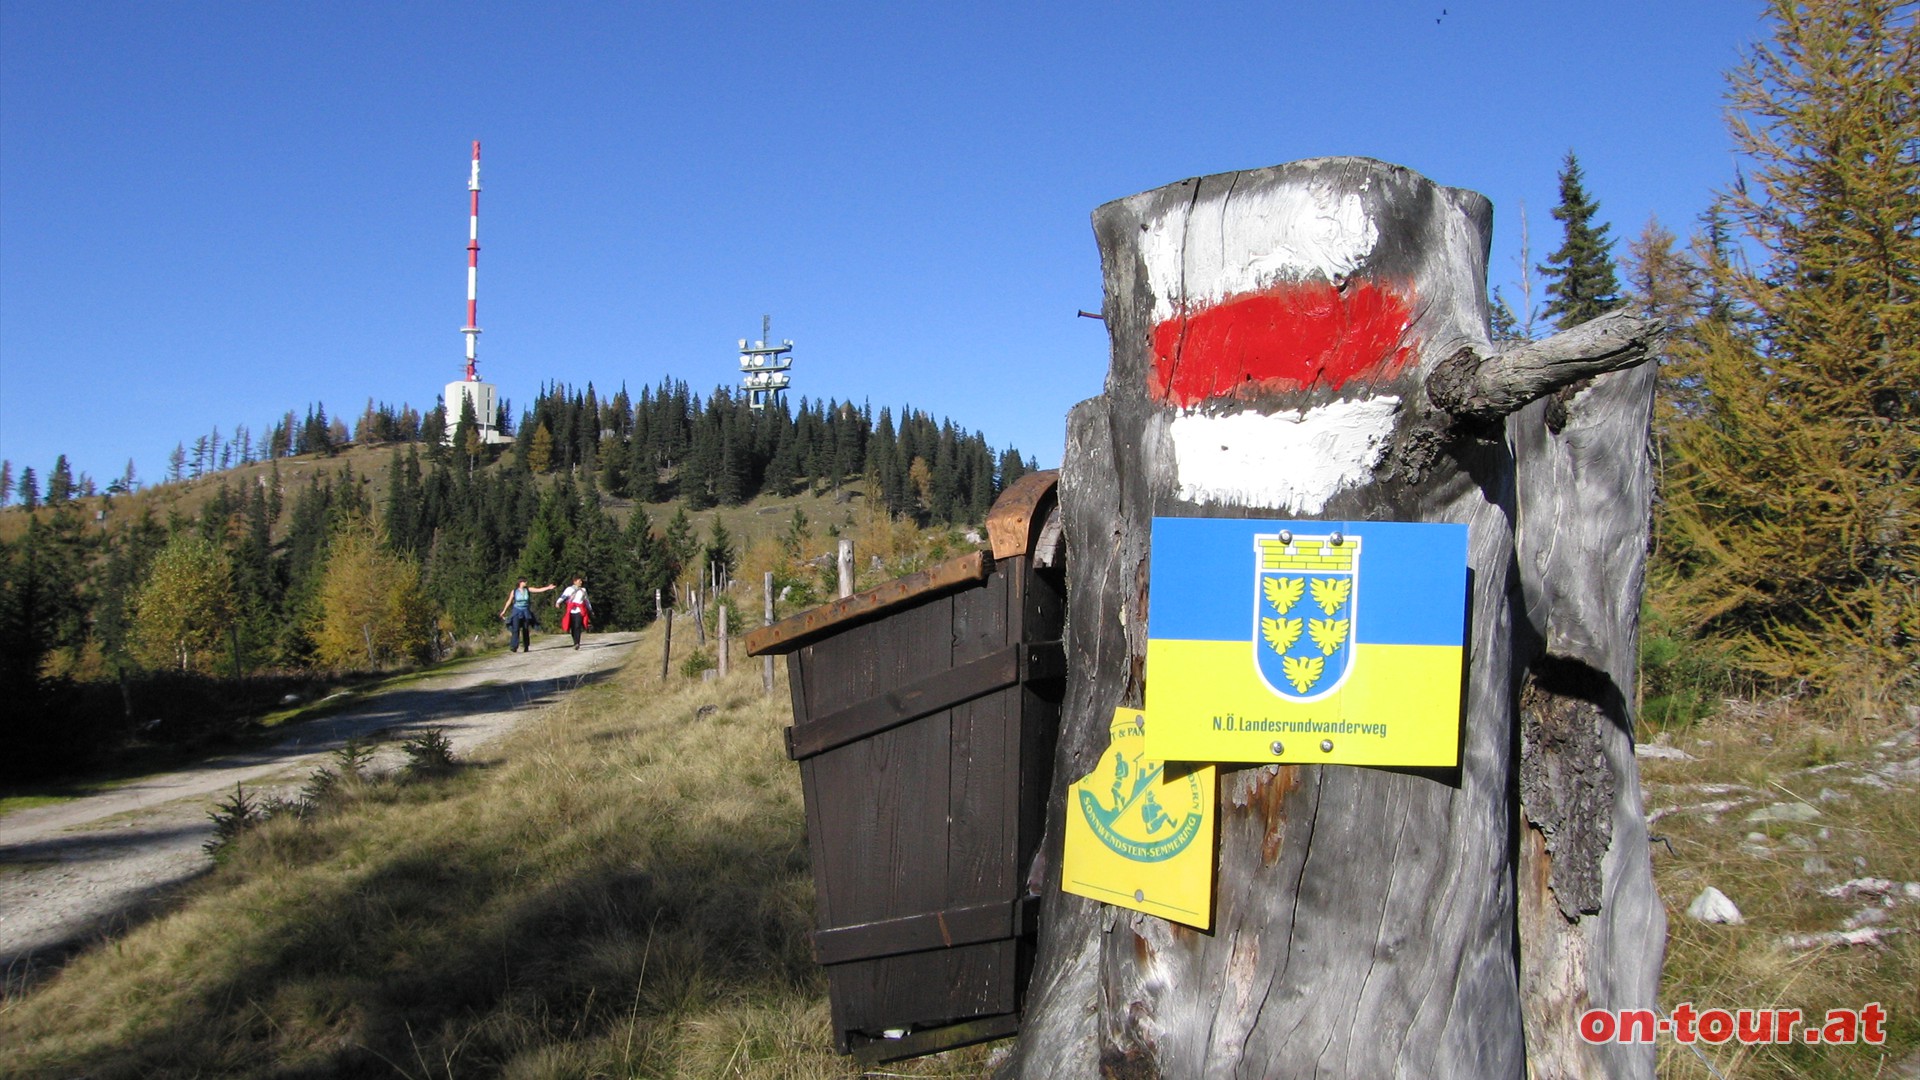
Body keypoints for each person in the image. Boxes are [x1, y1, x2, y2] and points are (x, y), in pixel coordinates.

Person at [499, 578, 557, 652]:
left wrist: (548, 588)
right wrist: (504, 611)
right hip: (516, 611)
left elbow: (538, 590)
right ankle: (514, 646)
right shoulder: (514, 591)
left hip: (525, 611)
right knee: (515, 629)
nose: (526, 583)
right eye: (524, 581)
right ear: (520, 582)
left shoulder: (528, 590)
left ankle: (526, 646)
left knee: (525, 629)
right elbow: (509, 601)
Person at [556, 576, 592, 650]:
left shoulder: (583, 590)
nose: (581, 582)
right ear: (574, 582)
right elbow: (563, 596)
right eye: (579, 581)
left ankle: (577, 642)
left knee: (577, 626)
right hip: (571, 610)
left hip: (580, 610)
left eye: (581, 581)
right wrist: (558, 602)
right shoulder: (569, 589)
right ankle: (575, 641)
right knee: (572, 627)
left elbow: (586, 600)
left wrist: (590, 609)